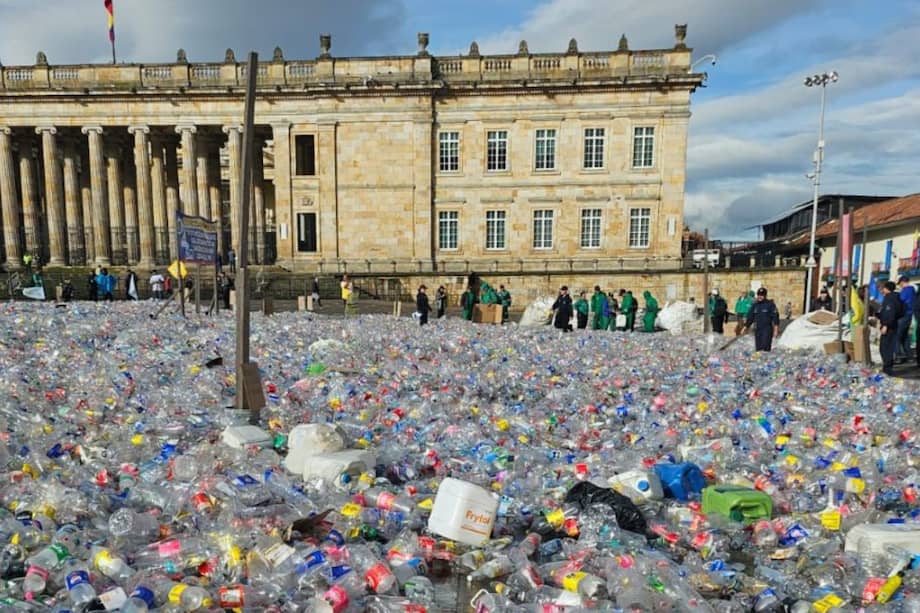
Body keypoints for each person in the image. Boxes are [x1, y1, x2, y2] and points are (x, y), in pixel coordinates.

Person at [742, 287, 780, 352]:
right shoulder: (755, 305)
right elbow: (750, 317)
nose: (760, 296)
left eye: (762, 295)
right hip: (758, 329)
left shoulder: (770, 304)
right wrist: (745, 327)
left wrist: (776, 330)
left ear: (765, 295)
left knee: (765, 347)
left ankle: (766, 360)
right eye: (759, 295)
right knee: (758, 349)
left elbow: (775, 317)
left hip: (767, 330)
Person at [879, 281, 901, 376]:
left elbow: (889, 312)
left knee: (885, 347)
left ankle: (887, 369)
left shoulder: (889, 298)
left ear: (886, 288)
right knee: (888, 346)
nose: (881, 290)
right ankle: (887, 367)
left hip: (889, 326)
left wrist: (885, 325)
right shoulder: (896, 297)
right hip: (894, 324)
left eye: (882, 288)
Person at [896, 275, 915, 363]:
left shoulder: (905, 291)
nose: (899, 286)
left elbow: (900, 302)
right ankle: (909, 355)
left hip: (903, 315)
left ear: (902, 282)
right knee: (905, 336)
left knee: (897, 336)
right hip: (909, 315)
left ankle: (899, 355)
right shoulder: (912, 290)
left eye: (900, 284)